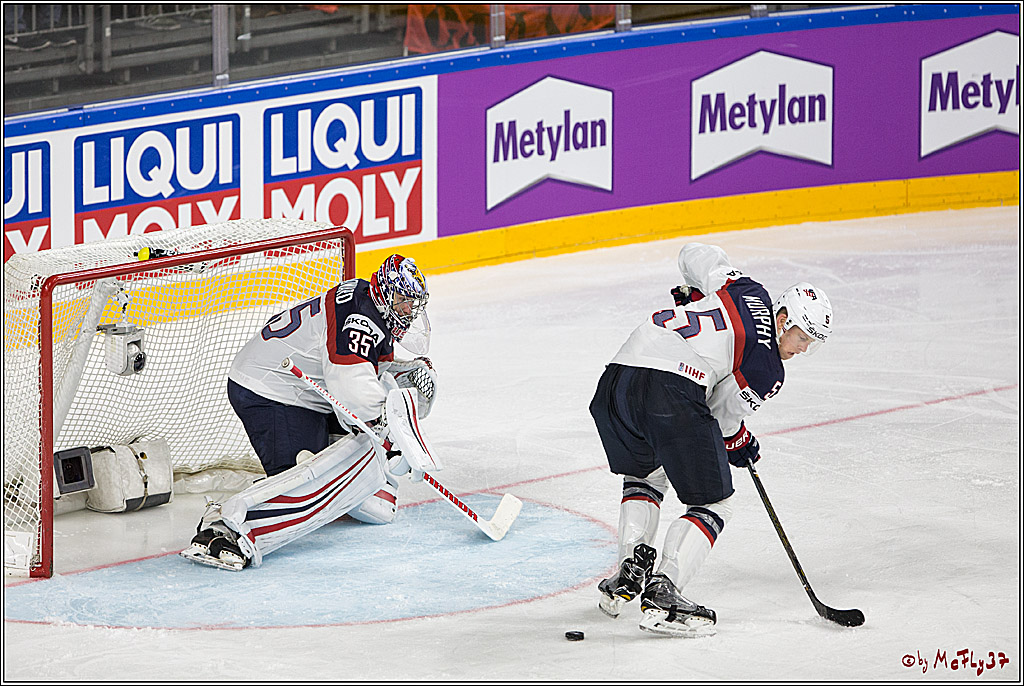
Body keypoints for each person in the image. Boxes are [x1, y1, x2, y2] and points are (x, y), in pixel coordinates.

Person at [589, 242, 833, 636]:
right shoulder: (768, 368)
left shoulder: (745, 289)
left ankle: (629, 573)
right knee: (715, 502)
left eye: (813, 344)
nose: (802, 350)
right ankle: (665, 591)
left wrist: (702, 296)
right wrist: (740, 442)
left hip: (618, 377)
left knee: (645, 476)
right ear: (783, 317)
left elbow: (694, 254)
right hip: (671, 388)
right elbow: (719, 417)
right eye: (803, 337)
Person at [181, 254, 438, 570]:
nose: (408, 310)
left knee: (376, 504)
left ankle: (329, 484)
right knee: (307, 482)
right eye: (401, 300)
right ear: (384, 291)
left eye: (413, 303)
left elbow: (364, 372)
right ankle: (225, 523)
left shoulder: (368, 303)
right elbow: (354, 389)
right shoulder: (360, 319)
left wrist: (399, 374)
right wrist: (396, 442)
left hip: (304, 392)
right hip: (269, 390)